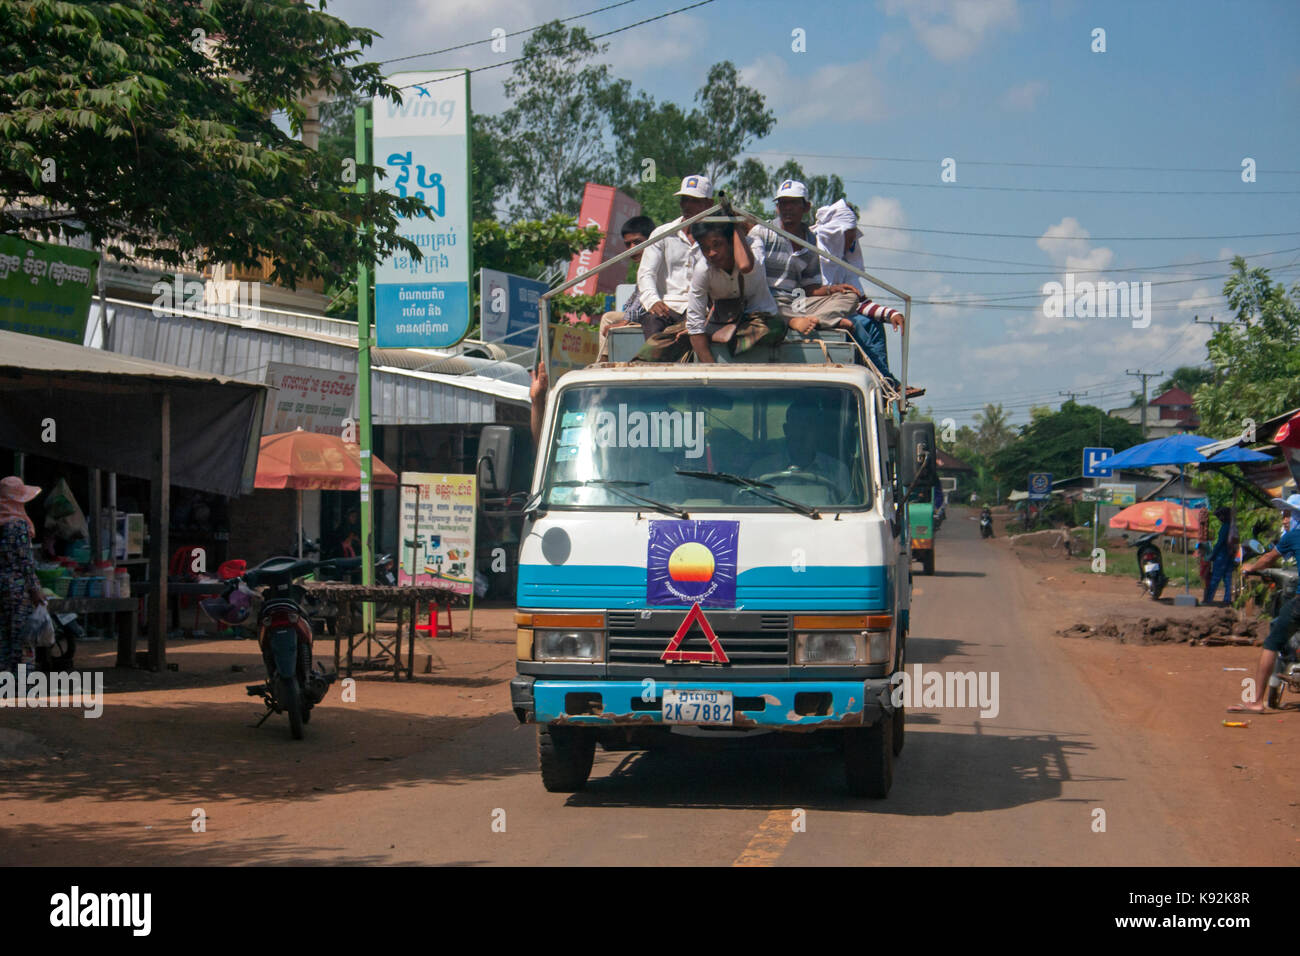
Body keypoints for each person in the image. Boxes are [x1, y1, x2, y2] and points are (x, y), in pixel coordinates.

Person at [634, 216, 785, 364]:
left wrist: (733, 224)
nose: (711, 253)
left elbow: (745, 266)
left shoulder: (753, 247)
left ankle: (712, 336)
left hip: (757, 321)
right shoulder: (702, 269)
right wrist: (711, 368)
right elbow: (695, 324)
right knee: (660, 343)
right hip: (719, 322)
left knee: (774, 328)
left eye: (717, 244)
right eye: (705, 248)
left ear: (732, 241)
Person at [811, 198, 906, 385]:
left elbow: (858, 302)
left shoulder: (842, 262)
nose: (853, 240)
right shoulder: (812, 252)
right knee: (857, 325)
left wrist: (889, 314)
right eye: (850, 234)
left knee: (873, 324)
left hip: (840, 311)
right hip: (814, 311)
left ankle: (882, 382)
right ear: (837, 233)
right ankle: (887, 382)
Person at [745, 180, 859, 334]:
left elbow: (809, 286)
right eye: (783, 203)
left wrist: (832, 289)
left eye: (793, 203)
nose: (787, 208)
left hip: (796, 303)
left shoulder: (811, 240)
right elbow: (750, 275)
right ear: (777, 208)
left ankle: (817, 320)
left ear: (806, 207)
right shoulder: (763, 232)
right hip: (768, 299)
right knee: (765, 305)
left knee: (850, 297)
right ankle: (801, 320)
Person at [1228, 493, 1300, 713]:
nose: (1284, 519)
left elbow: (1269, 558)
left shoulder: (1294, 536)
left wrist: (1251, 568)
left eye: (1288, 514)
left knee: (1272, 642)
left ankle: (1257, 701)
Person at [635, 176, 713, 338]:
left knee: (698, 332)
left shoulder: (717, 236)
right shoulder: (662, 234)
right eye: (684, 200)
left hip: (702, 306)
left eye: (695, 201)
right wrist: (653, 301)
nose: (687, 205)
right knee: (652, 325)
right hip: (667, 306)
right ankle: (654, 362)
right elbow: (646, 273)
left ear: (709, 204)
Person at [751, 400, 852, 496]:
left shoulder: (837, 471)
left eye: (808, 425)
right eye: (796, 425)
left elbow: (849, 509)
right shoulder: (762, 469)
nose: (801, 432)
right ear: (786, 430)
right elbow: (748, 504)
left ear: (818, 431)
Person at [595, 215, 656, 362]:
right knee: (609, 317)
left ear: (651, 240)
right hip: (643, 314)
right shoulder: (642, 266)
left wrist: (627, 320)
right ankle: (603, 359)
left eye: (637, 242)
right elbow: (635, 298)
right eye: (628, 245)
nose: (632, 249)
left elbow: (645, 297)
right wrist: (627, 315)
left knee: (609, 319)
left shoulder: (655, 262)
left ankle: (602, 361)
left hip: (655, 314)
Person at [0, 476, 44, 674]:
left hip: (1, 586)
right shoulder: (18, 525)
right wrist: (35, 589)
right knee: (23, 636)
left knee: (3, 636)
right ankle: (22, 681)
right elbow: (25, 562)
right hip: (18, 589)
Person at [1202, 506, 1236, 606]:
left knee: (1215, 578)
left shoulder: (1225, 527)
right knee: (1227, 579)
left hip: (1222, 556)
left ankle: (1208, 599)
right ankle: (1227, 600)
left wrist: (1213, 555)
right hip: (1230, 556)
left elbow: (1220, 543)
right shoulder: (1232, 526)